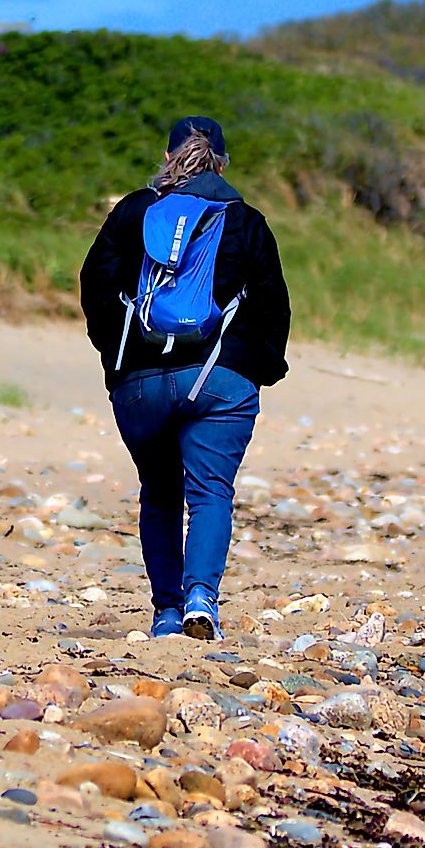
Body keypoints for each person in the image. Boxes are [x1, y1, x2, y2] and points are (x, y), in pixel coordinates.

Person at [80, 115, 290, 641]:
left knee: (158, 492)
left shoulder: (131, 212)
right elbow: (272, 307)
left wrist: (119, 360)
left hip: (140, 384)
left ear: (167, 156)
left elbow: (95, 287)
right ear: (222, 162)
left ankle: (166, 614)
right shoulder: (245, 221)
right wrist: (257, 371)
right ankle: (202, 599)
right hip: (220, 380)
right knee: (211, 491)